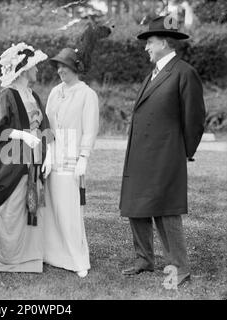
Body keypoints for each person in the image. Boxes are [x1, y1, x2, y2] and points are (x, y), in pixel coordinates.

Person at [119, 16, 206, 287]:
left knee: (167, 210)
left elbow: (195, 118)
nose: (146, 47)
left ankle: (180, 267)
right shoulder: (153, 74)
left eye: (150, 42)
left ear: (165, 43)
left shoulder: (184, 72)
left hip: (166, 154)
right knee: (136, 205)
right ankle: (144, 260)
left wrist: (183, 151)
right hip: (141, 154)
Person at [0, 42, 53, 273]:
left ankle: (29, 257)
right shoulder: (8, 97)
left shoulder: (34, 96)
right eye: (34, 66)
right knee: (12, 208)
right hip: (13, 163)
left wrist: (48, 151)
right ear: (24, 70)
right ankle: (4, 257)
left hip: (34, 160)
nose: (38, 70)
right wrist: (22, 135)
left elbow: (45, 127)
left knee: (31, 207)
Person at [43, 48, 99, 278]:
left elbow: (90, 128)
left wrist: (84, 158)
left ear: (76, 67)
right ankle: (52, 254)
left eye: (65, 66)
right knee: (51, 205)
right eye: (58, 66)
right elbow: (46, 123)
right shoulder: (55, 92)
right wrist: (47, 151)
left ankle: (77, 258)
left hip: (72, 157)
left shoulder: (87, 94)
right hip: (53, 155)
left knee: (70, 209)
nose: (60, 70)